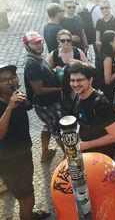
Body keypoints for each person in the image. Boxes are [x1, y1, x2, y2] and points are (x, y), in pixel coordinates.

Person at [0, 64, 50, 220]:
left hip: (23, 154)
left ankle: (28, 211)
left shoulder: (16, 94)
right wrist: (9, 108)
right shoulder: (4, 104)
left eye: (12, 77)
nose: (10, 82)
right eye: (4, 80)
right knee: (27, 200)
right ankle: (28, 213)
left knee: (27, 192)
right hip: (11, 162)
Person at [23, 31, 64, 162]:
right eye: (35, 43)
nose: (39, 45)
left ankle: (44, 153)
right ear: (26, 45)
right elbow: (39, 90)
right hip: (46, 104)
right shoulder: (32, 64)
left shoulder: (38, 58)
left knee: (48, 127)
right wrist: (60, 89)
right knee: (57, 129)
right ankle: (69, 156)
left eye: (40, 42)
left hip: (49, 103)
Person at [68, 61, 115, 159]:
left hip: (102, 156)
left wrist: (86, 145)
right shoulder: (77, 95)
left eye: (80, 80)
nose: (75, 84)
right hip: (87, 154)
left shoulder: (100, 104)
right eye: (72, 80)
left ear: (90, 80)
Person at [99, 30, 115, 103]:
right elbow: (107, 81)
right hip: (111, 90)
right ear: (110, 42)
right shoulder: (108, 58)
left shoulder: (112, 51)